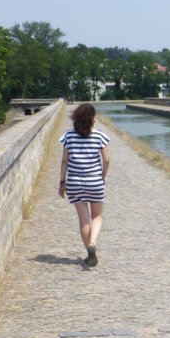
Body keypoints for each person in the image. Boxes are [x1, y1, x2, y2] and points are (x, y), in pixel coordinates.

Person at [58, 104, 110, 267]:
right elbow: (107, 160)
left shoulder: (68, 136)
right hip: (94, 180)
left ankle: (90, 254)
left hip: (74, 182)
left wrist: (62, 182)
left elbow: (65, 160)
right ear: (92, 119)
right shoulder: (100, 136)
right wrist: (102, 177)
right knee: (97, 216)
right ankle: (93, 243)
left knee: (84, 220)